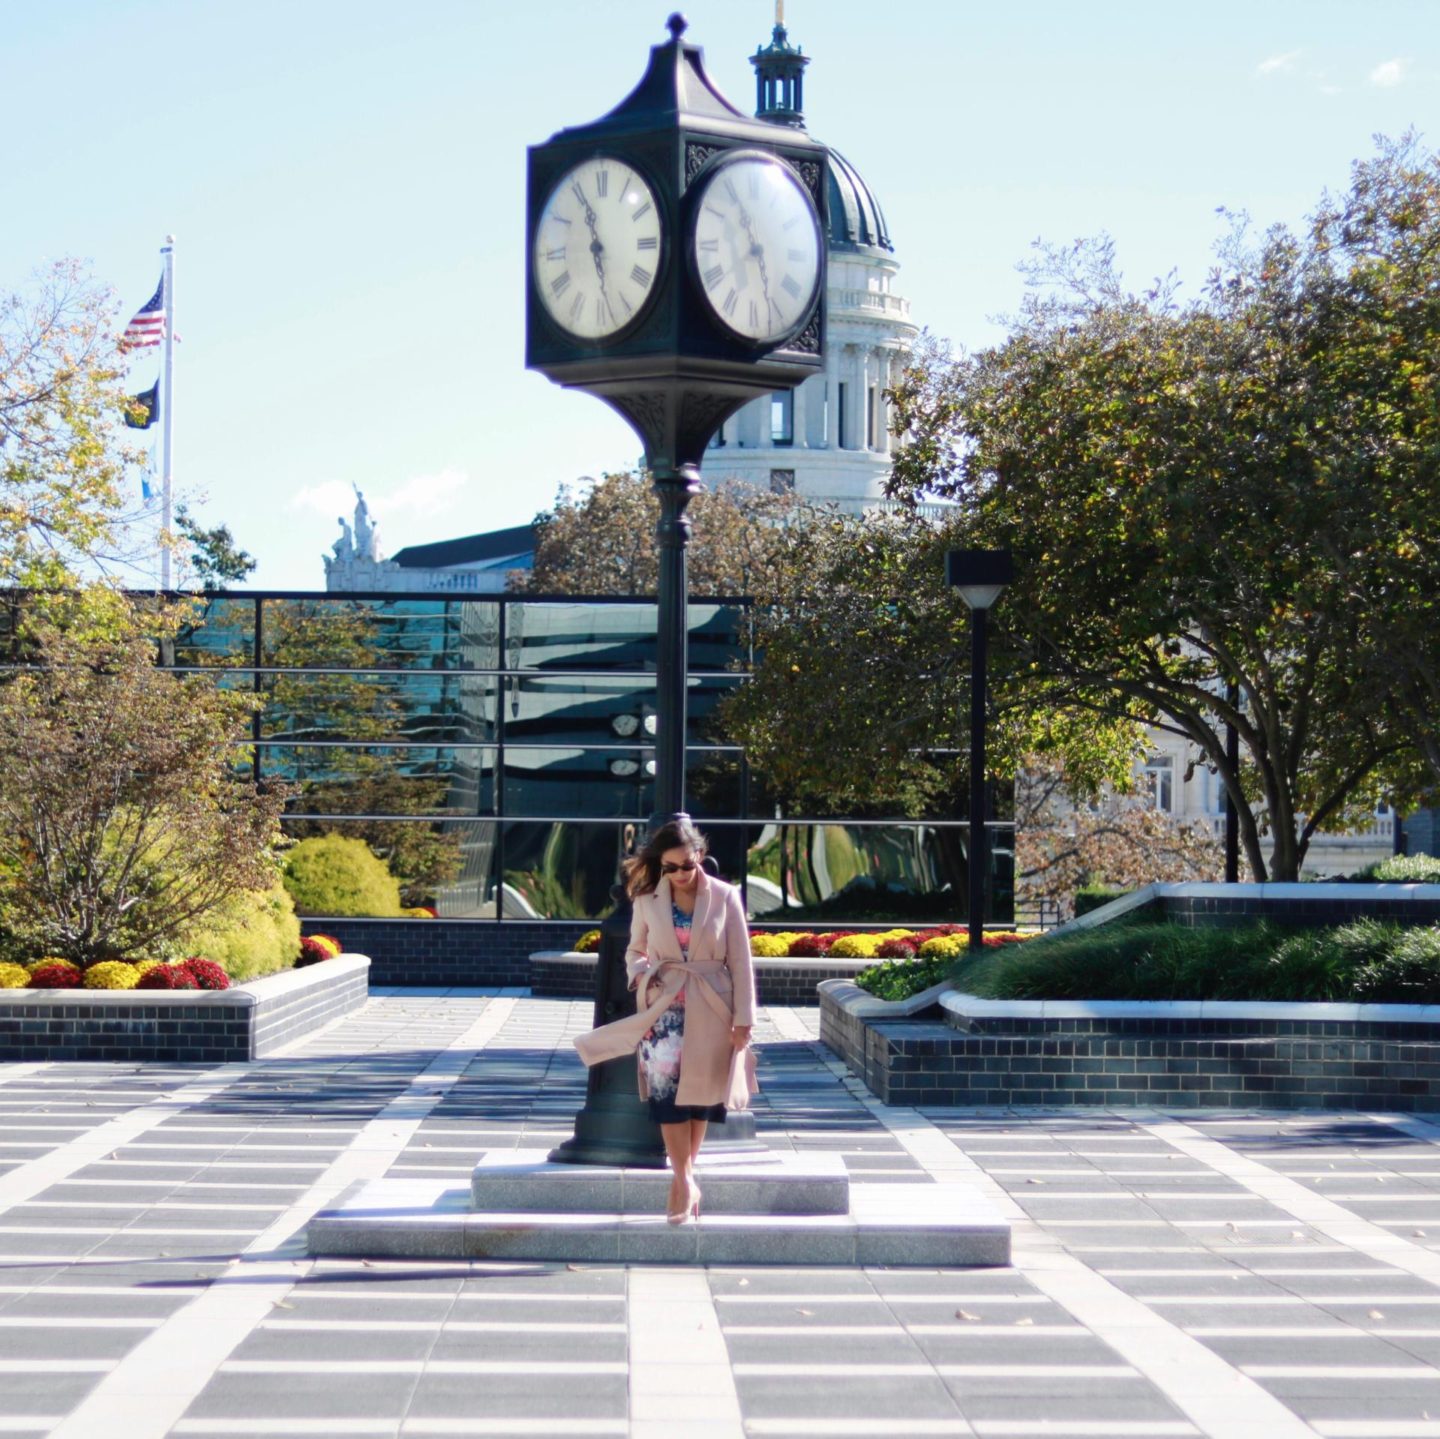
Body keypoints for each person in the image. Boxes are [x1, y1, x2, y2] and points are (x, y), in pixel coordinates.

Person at [573, 816, 756, 1225]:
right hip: (664, 1010)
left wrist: (745, 1018)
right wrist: (643, 976)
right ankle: (685, 1178)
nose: (679, 875)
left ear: (700, 856)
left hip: (712, 1007)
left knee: (700, 1096)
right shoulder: (646, 899)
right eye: (669, 868)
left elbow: (741, 962)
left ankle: (683, 1181)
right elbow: (634, 950)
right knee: (666, 1093)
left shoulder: (726, 897)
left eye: (686, 866)